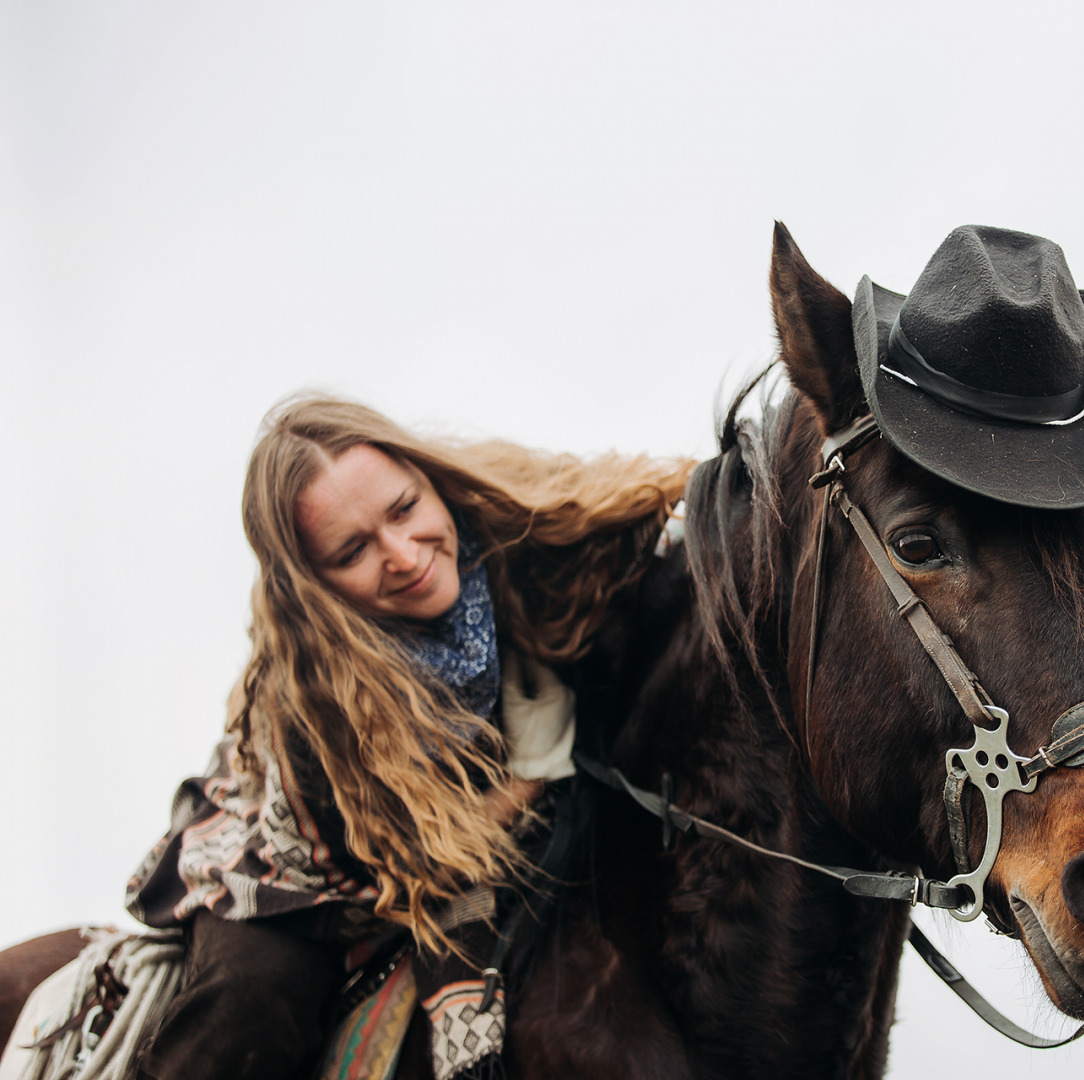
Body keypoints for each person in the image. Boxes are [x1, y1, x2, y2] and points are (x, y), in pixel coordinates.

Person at [123, 396, 691, 1080]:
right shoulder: (316, 700)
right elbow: (426, 861)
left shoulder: (519, 536)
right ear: (317, 588)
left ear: (432, 482)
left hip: (484, 810)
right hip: (303, 878)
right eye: (353, 550)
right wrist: (538, 771)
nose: (402, 554)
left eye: (403, 509)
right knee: (253, 1004)